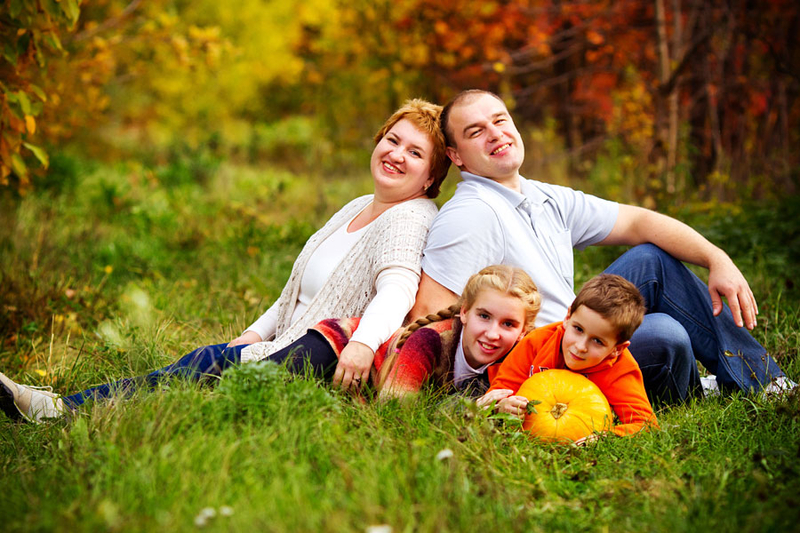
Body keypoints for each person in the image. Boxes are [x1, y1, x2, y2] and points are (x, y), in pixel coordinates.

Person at [0, 98, 451, 423]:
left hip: (321, 359)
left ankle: (61, 410)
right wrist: (254, 333)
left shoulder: (410, 217)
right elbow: (298, 291)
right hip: (287, 342)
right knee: (206, 364)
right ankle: (72, 409)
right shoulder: (356, 206)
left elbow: (398, 290)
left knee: (204, 367)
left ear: (431, 176)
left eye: (415, 153)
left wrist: (363, 343)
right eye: (393, 140)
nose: (396, 154)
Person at [410, 89, 793, 404]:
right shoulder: (471, 214)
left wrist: (716, 258)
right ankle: (694, 388)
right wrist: (469, 398)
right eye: (475, 132)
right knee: (663, 334)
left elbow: (638, 221)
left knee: (651, 260)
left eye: (500, 120)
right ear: (456, 156)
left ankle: (763, 380)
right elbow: (427, 317)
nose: (495, 133)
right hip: (543, 363)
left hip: (574, 330)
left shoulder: (542, 196)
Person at [304, 264, 541, 398]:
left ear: (523, 331)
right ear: (465, 312)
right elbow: (395, 409)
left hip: (355, 390)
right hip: (343, 343)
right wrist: (474, 411)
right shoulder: (429, 340)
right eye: (484, 316)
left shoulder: (520, 361)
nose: (492, 333)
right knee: (273, 378)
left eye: (508, 324)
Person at [478, 274, 657, 438]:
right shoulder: (536, 343)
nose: (580, 347)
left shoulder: (620, 370)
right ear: (568, 317)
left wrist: (605, 436)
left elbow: (646, 424)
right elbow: (501, 388)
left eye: (597, 341)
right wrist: (502, 406)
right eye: (578, 329)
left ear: (617, 349)